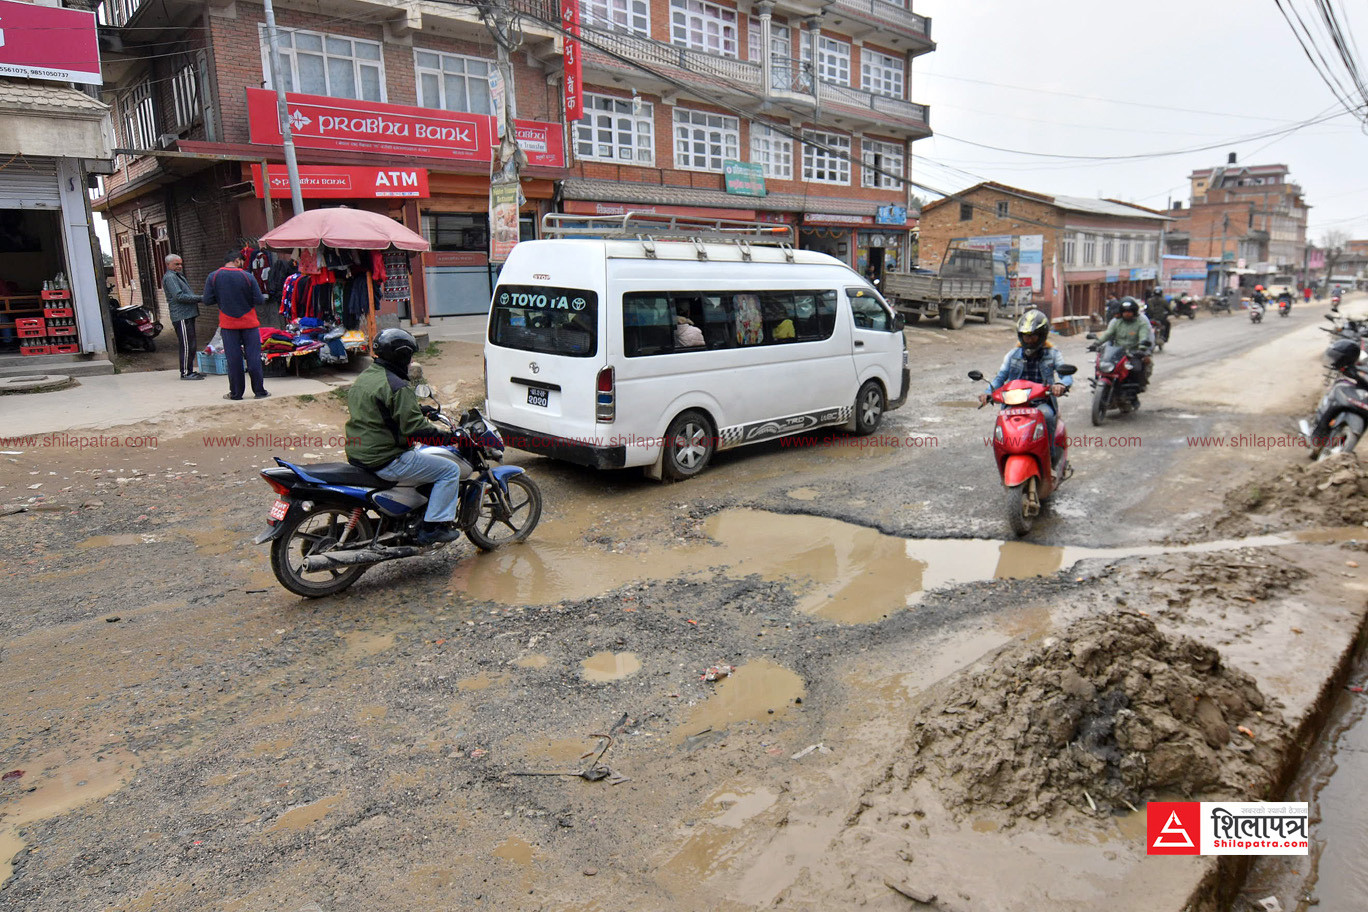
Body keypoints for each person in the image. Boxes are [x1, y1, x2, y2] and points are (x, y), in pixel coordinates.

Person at [344, 329, 468, 546]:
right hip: (386, 458)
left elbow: (382, 407)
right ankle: (432, 529)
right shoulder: (398, 386)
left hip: (359, 453)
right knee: (450, 470)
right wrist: (450, 438)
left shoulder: (367, 377)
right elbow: (417, 431)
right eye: (410, 357)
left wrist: (419, 408)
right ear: (401, 356)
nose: (411, 362)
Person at [979, 309, 1072, 463]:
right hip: (1015, 403)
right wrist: (988, 392)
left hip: (1041, 403)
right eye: (1025, 336)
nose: (1029, 340)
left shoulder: (1053, 354)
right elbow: (1000, 377)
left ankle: (1049, 458)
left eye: (1033, 336)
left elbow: (1066, 376)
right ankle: (1005, 456)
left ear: (1042, 335)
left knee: (1047, 417)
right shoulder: (1013, 354)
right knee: (1001, 422)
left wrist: (1060, 384)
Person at [203, 249, 268, 401]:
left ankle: (236, 394)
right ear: (237, 260)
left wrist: (222, 300)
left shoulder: (214, 276)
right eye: (242, 262)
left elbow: (207, 300)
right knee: (253, 358)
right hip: (249, 323)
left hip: (228, 324)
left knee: (234, 360)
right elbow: (259, 299)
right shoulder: (247, 276)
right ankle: (259, 392)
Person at [1093, 298, 1154, 387]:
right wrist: (1096, 343)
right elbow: (1108, 334)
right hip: (1117, 352)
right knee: (1100, 366)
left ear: (1134, 312)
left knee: (1136, 369)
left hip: (1133, 353)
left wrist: (1142, 348)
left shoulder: (1141, 323)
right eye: (1125, 311)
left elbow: (1143, 336)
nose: (1127, 313)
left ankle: (1134, 391)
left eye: (1129, 311)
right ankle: (1098, 384)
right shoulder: (1116, 322)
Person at [162, 253, 205, 381]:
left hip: (188, 314)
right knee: (186, 344)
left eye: (180, 264)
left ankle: (190, 370)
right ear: (168, 265)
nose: (179, 266)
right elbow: (179, 296)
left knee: (191, 343)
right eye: (176, 264)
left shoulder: (177, 276)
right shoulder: (170, 277)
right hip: (181, 315)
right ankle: (186, 372)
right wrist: (200, 298)